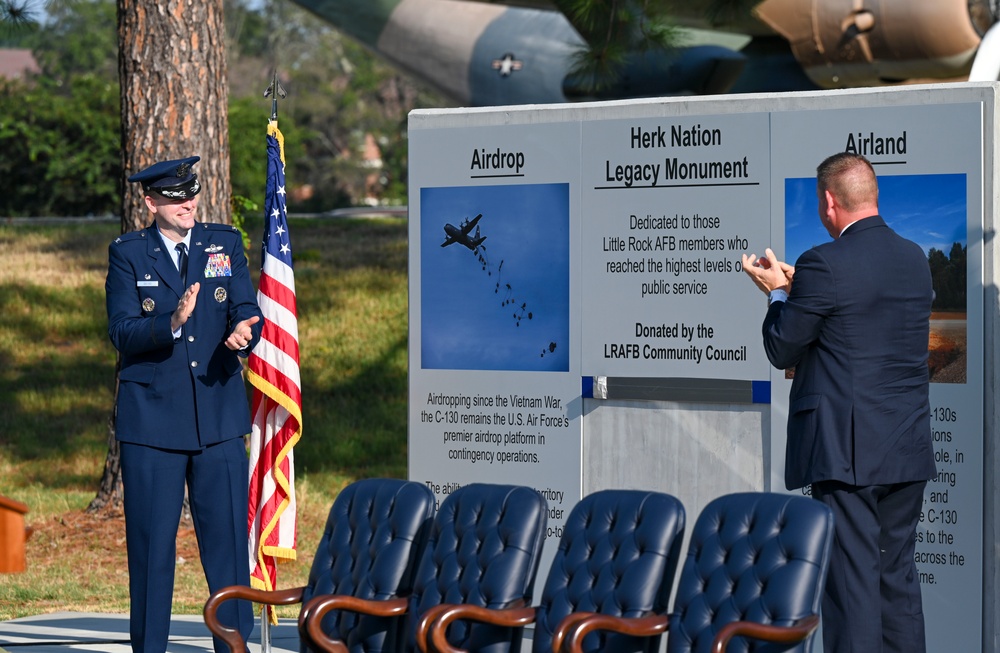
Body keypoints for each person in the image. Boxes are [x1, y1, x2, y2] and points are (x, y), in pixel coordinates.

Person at [741, 152, 936, 653]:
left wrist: (777, 295)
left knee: (850, 590)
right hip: (906, 448)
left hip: (848, 454)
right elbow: (856, 326)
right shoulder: (914, 257)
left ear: (829, 202)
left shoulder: (822, 263)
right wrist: (797, 288)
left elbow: (782, 345)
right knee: (897, 581)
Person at [105, 156, 262, 653]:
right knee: (152, 551)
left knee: (229, 549)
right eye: (175, 198)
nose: (187, 204)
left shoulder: (223, 243)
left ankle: (233, 646)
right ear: (151, 203)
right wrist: (172, 321)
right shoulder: (129, 254)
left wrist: (243, 331)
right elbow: (122, 332)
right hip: (153, 425)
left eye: (191, 194)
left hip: (217, 419)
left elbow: (245, 306)